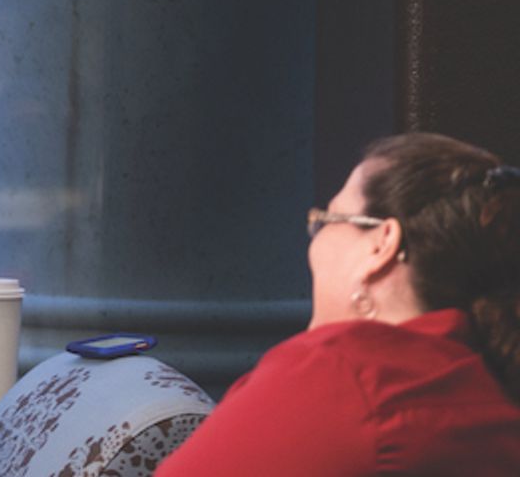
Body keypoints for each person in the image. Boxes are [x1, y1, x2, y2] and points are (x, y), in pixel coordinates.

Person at [157, 132, 520, 475]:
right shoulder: (486, 381)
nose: (313, 242)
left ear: (381, 244)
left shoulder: (345, 372)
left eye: (326, 220)